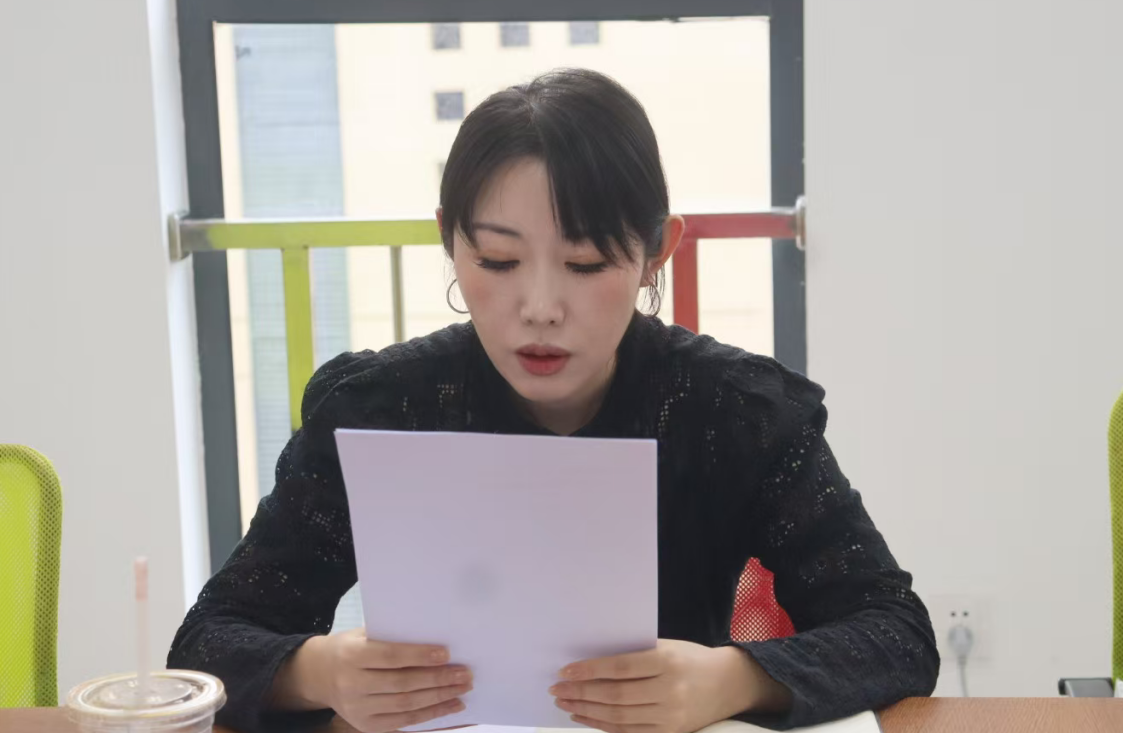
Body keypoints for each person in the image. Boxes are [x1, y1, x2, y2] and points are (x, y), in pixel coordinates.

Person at [168, 68, 939, 733]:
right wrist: (321, 670)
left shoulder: (735, 411)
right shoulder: (376, 408)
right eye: (496, 260)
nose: (539, 308)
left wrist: (730, 680)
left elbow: (894, 630)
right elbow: (208, 641)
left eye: (586, 262)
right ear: (449, 240)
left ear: (656, 251)